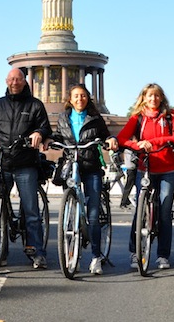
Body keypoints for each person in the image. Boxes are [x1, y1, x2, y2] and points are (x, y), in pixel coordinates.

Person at [0, 68, 51, 269]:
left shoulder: (35, 105)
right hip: (2, 162)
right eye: (11, 79)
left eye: (18, 79)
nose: (14, 82)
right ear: (6, 81)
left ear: (24, 82)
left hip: (25, 163)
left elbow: (45, 127)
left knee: (31, 211)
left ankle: (37, 252)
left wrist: (39, 133)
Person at [48, 84, 118, 275]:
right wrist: (49, 140)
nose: (80, 99)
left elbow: (106, 135)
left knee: (93, 213)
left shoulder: (95, 118)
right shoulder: (63, 118)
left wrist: (111, 140)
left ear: (88, 98)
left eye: (83, 95)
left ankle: (96, 257)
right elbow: (58, 135)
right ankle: (73, 255)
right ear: (70, 99)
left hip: (91, 166)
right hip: (71, 165)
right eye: (76, 96)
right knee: (70, 214)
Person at [117, 83, 174, 270]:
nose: (153, 99)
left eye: (156, 96)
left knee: (164, 212)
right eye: (149, 96)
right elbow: (122, 138)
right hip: (144, 169)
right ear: (143, 98)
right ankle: (134, 251)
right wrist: (137, 145)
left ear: (161, 98)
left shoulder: (171, 115)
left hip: (167, 170)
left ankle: (163, 255)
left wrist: (153, 142)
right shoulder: (137, 118)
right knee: (140, 210)